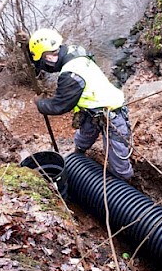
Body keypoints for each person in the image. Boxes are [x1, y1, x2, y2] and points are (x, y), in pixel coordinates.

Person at [28, 28, 134, 181]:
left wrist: (40, 103)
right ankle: (78, 157)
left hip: (112, 116)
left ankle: (127, 188)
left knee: (118, 162)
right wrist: (26, 44)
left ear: (49, 57)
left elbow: (59, 106)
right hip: (92, 110)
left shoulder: (71, 75)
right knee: (83, 138)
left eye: (43, 62)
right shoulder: (75, 51)